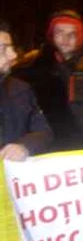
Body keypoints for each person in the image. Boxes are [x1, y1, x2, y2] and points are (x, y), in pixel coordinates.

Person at [13, 10, 83, 151]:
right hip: (46, 149)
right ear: (51, 35)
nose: (66, 38)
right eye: (60, 32)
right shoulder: (32, 69)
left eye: (72, 34)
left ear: (80, 38)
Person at [0, 20, 52, 160]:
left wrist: (25, 146)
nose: (14, 55)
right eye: (4, 49)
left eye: (11, 47)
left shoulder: (21, 89)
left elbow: (44, 130)